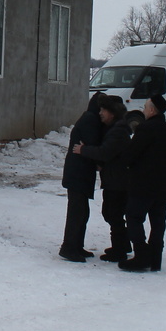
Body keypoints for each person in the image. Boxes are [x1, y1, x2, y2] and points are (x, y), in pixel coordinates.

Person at [117, 94, 166, 272]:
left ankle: (141, 255)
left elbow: (131, 154)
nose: (144, 110)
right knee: (158, 220)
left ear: (153, 110)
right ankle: (155, 257)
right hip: (164, 187)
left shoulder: (145, 129)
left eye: (146, 107)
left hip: (143, 185)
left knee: (133, 216)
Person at [73, 95, 132, 262]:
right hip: (115, 179)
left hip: (118, 182)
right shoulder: (115, 129)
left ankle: (120, 250)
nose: (100, 113)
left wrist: (83, 150)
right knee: (112, 214)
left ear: (112, 113)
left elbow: (105, 152)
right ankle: (123, 245)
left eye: (103, 110)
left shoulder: (118, 131)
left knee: (113, 214)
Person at [59, 93, 104, 262]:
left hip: (79, 173)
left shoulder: (89, 117)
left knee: (82, 211)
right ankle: (69, 247)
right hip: (78, 173)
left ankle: (76, 245)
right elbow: (93, 144)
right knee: (77, 212)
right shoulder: (90, 120)